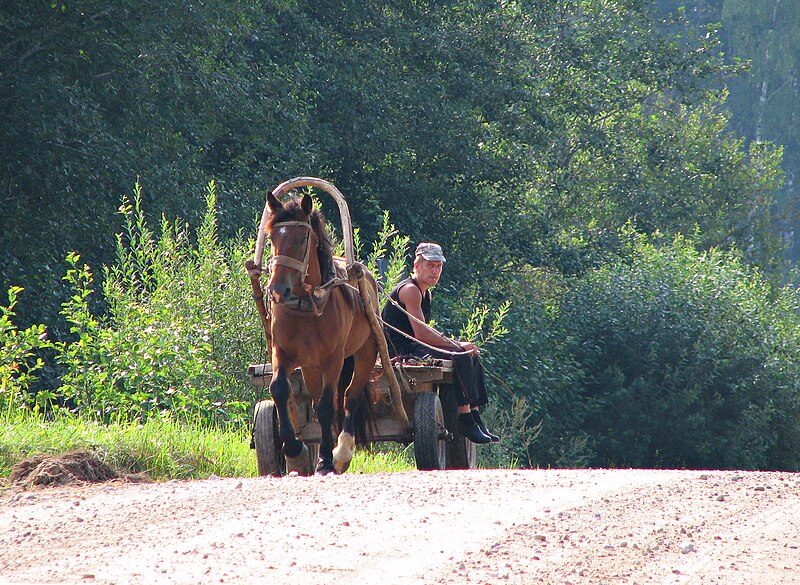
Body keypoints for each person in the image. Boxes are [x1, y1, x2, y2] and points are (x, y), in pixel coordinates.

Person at [381, 242, 499, 444]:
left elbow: (423, 334)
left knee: (472, 355)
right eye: (430, 265)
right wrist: (457, 344)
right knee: (460, 354)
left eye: (438, 266)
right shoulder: (410, 290)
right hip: (402, 349)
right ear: (417, 266)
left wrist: (460, 346)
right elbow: (421, 334)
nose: (435, 271)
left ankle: (476, 417)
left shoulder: (426, 292)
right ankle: (464, 418)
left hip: (415, 345)